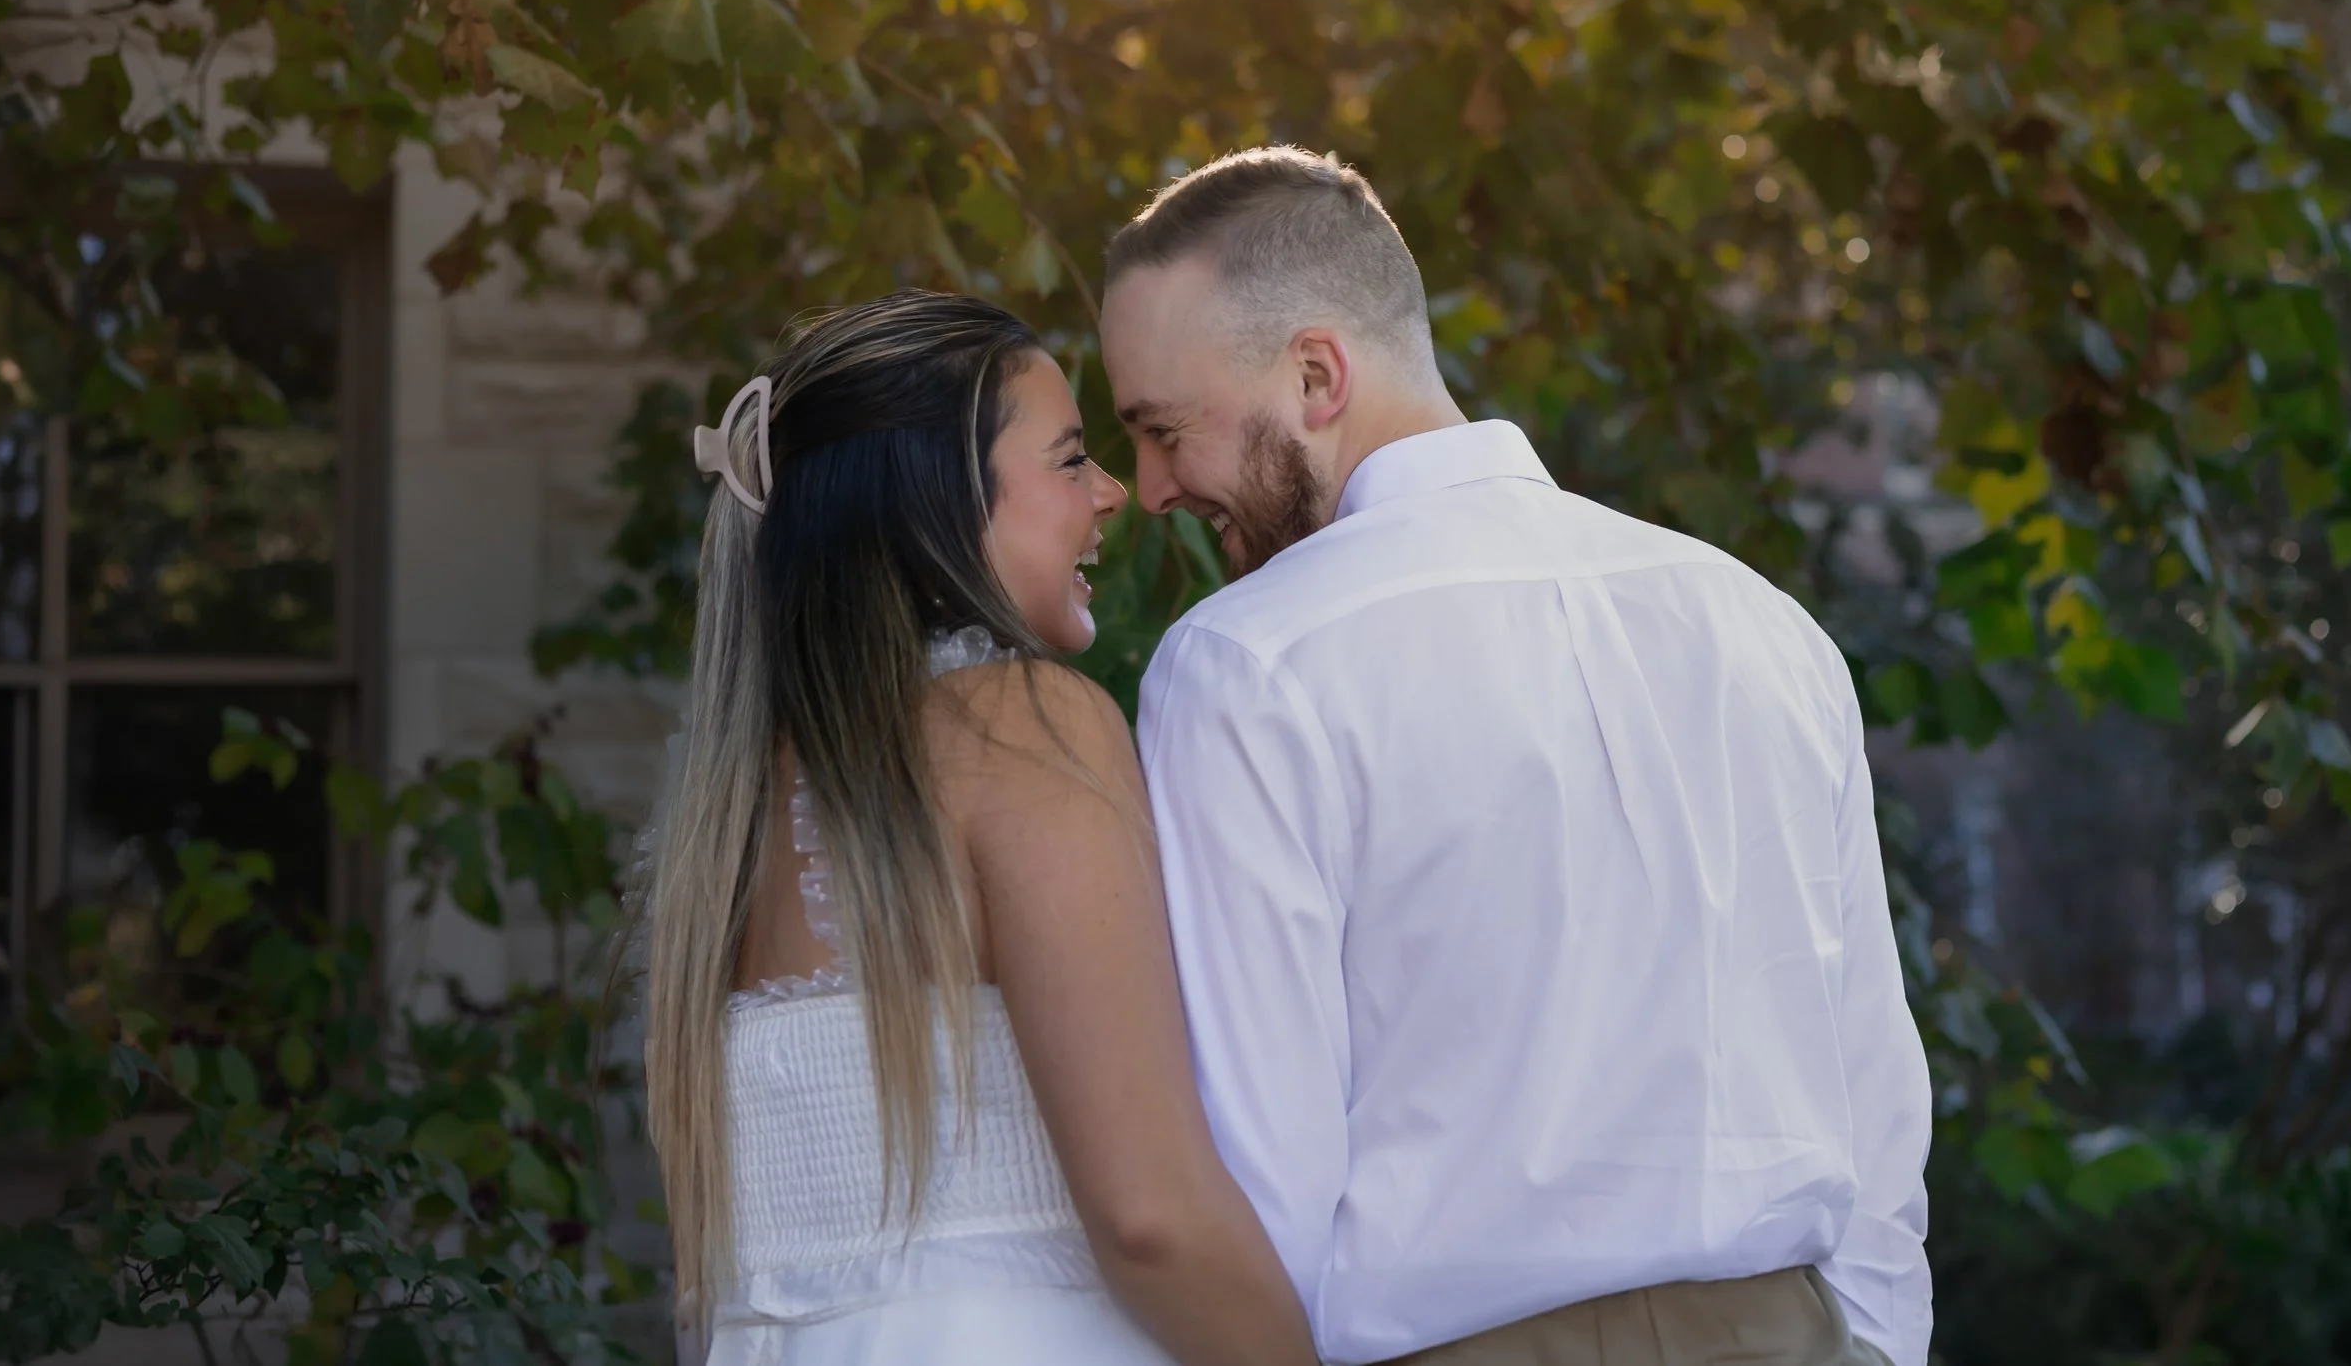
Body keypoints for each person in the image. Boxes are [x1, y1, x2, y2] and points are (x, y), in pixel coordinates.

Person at [1098, 148, 1934, 1366]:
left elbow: (1261, 1178)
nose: (1151, 486)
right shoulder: (1761, 623)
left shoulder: (1246, 664)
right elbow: (1876, 1106)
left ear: (1317, 373)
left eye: (1166, 430)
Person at [640, 292, 1317, 1366]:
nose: (1110, 495)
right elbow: (1149, 1215)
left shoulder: (732, 820)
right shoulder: (1020, 722)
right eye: (1066, 459)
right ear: (934, 505)